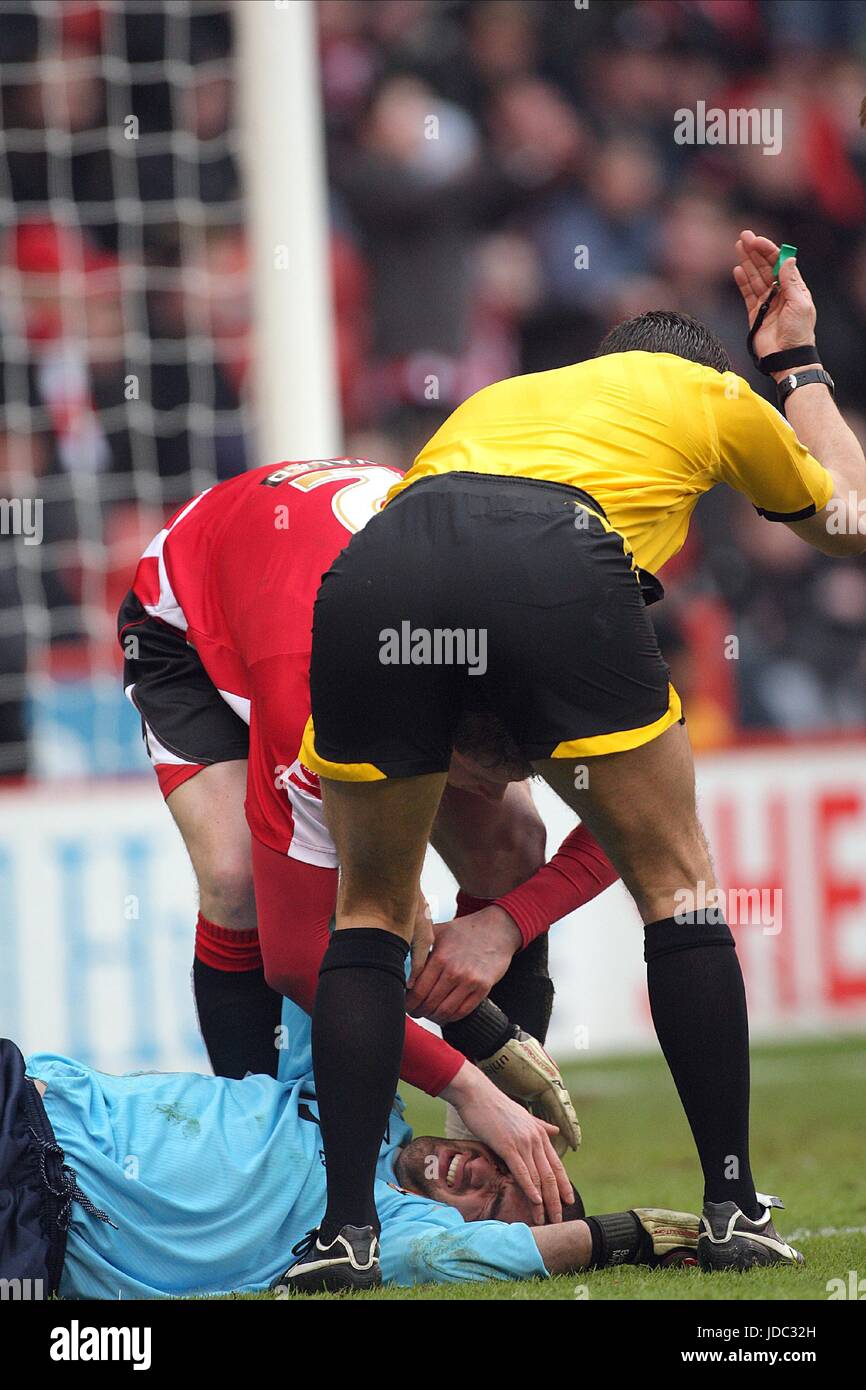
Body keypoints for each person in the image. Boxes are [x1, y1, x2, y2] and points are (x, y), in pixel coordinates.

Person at [296, 230, 865, 1285]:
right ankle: (731, 1207)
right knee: (679, 886)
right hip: (548, 555)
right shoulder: (701, 391)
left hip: (374, 569)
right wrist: (793, 365)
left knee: (365, 916)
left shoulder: (498, 401)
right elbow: (848, 518)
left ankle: (346, 1234)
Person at [119, 455, 618, 1211]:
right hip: (193, 617)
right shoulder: (313, 705)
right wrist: (468, 1080)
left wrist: (507, 926)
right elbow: (297, 961)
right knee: (235, 883)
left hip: (354, 595)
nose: (481, 793)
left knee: (513, 836)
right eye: (472, 774)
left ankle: (495, 1158)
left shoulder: (553, 637)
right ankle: (267, 1164)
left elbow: (650, 825)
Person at [0, 1012, 711, 1299]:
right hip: (26, 1096)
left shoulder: (384, 1233)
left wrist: (636, 1234)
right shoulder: (354, 1090)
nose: (477, 1174)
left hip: (40, 1221)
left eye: (490, 1206)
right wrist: (483, 1026)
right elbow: (349, 950)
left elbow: (495, 1257)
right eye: (504, 1164)